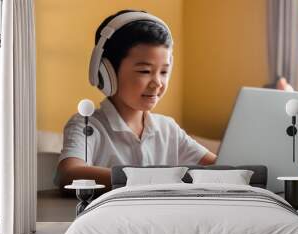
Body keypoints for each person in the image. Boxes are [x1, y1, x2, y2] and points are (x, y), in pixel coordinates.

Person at [56, 10, 217, 189]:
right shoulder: (87, 125)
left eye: (164, 72)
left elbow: (218, 167)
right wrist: (146, 178)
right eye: (144, 71)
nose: (157, 83)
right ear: (106, 73)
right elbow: (68, 174)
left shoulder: (168, 129)